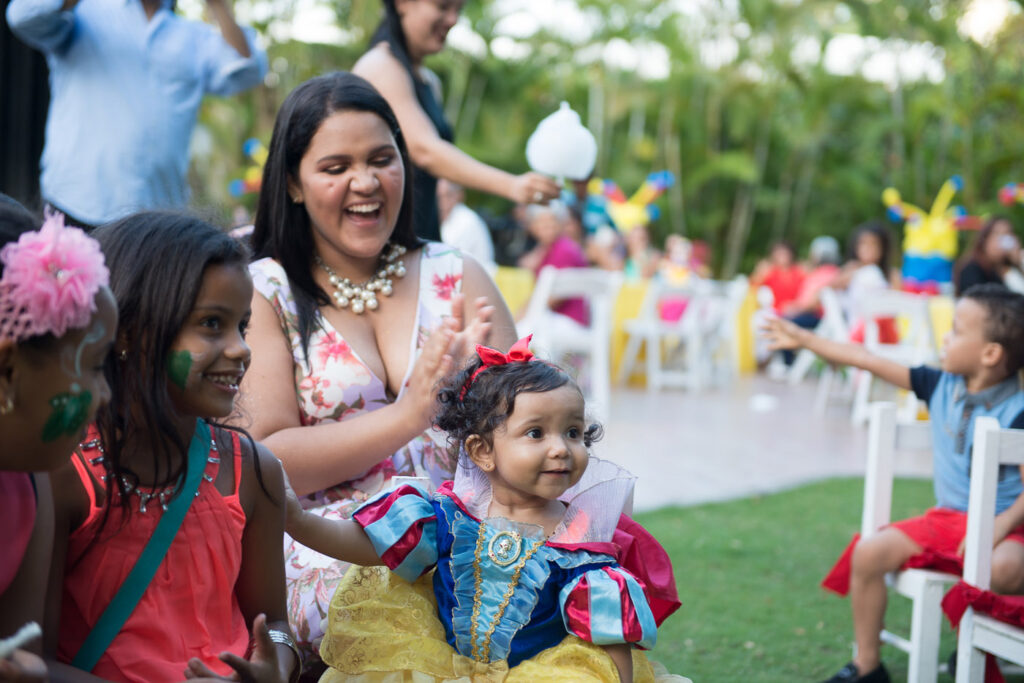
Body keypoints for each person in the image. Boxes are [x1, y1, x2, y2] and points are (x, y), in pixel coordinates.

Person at [239, 71, 517, 663]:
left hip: (468, 529)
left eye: (381, 159)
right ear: (292, 183)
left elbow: (533, 426)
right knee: (397, 607)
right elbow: (267, 459)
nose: (364, 182)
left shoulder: (455, 272)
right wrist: (411, 415)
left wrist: (489, 403)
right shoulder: (266, 292)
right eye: (335, 167)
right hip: (330, 543)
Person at [285, 337, 684, 682]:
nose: (561, 447)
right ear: (482, 451)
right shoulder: (448, 517)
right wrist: (298, 521)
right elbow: (367, 546)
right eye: (535, 433)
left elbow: (609, 635)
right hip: (438, 667)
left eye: (573, 432)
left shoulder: (579, 540)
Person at [46, 212, 297, 683]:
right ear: (124, 331)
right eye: (210, 324)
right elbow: (30, 664)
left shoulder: (253, 473)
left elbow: (276, 623)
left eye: (241, 326)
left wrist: (274, 665)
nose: (241, 349)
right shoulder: (65, 476)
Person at [763, 284, 1024, 683]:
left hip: (1007, 529)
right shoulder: (938, 385)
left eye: (955, 330)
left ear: (990, 354)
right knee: (868, 553)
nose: (945, 338)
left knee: (1004, 568)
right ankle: (867, 665)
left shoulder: (1019, 410)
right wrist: (804, 339)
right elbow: (865, 358)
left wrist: (1000, 526)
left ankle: (977, 646)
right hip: (947, 521)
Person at [5, 0, 267, 228]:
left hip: (157, 218)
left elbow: (249, 71)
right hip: (74, 203)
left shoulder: (193, 38)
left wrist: (217, 4)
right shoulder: (84, 14)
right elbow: (23, 15)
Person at [0, 204, 116, 682]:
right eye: (94, 367)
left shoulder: (28, 483)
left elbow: (27, 659)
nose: (105, 394)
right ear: (8, 370)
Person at [352, 0, 559, 241]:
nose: (453, 19)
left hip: (422, 236)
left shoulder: (429, 81)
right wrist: (512, 186)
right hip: (385, 243)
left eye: (458, 10)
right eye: (442, 7)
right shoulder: (380, 66)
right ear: (402, 3)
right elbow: (424, 149)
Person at [517, 201, 589, 326]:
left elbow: (554, 297)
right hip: (553, 318)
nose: (547, 226)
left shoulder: (564, 249)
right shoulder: (547, 248)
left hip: (567, 320)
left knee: (524, 325)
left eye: (552, 221)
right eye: (541, 222)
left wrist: (521, 314)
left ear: (560, 224)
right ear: (532, 226)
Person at [830, 222, 898, 344]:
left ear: (882, 247)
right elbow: (825, 292)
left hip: (885, 333)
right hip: (857, 332)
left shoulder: (891, 274)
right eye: (863, 243)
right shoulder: (851, 271)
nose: (868, 248)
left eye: (873, 244)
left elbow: (900, 307)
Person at [955, 215, 1024, 296]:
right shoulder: (972, 268)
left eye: (1007, 234)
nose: (1003, 240)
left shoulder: (1009, 267)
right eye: (997, 234)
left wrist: (1019, 262)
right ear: (985, 238)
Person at [437, 179, 495, 268]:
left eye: (448, 195)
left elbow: (446, 257)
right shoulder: (443, 218)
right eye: (439, 197)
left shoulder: (467, 221)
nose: (442, 202)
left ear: (459, 195)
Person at [750, 241, 805, 315]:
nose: (782, 256)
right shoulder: (769, 271)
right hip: (771, 312)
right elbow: (753, 287)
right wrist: (759, 272)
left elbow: (805, 293)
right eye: (779, 253)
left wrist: (796, 306)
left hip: (793, 312)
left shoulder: (799, 272)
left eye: (785, 253)